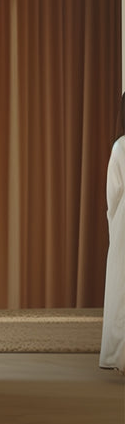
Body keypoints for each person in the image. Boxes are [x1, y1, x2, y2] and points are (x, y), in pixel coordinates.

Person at [99, 93, 125, 372]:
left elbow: (113, 194)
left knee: (121, 287)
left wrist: (113, 224)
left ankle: (120, 355)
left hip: (123, 222)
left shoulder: (120, 147)